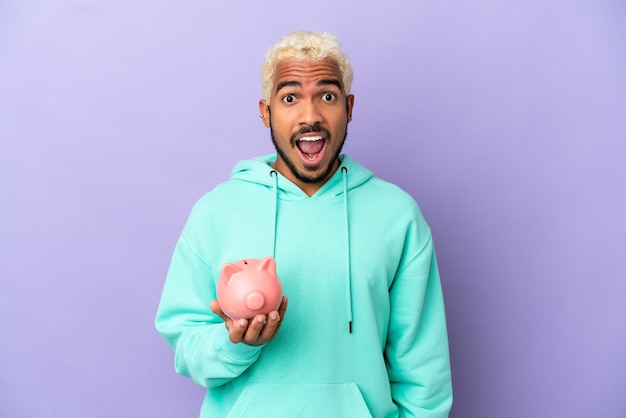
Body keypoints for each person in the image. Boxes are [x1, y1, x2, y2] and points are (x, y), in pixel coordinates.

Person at [155, 30, 453, 417]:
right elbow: (187, 347)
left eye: (327, 96)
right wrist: (236, 343)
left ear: (348, 107)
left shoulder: (397, 215)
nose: (310, 115)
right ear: (266, 112)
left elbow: (423, 373)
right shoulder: (216, 212)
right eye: (290, 97)